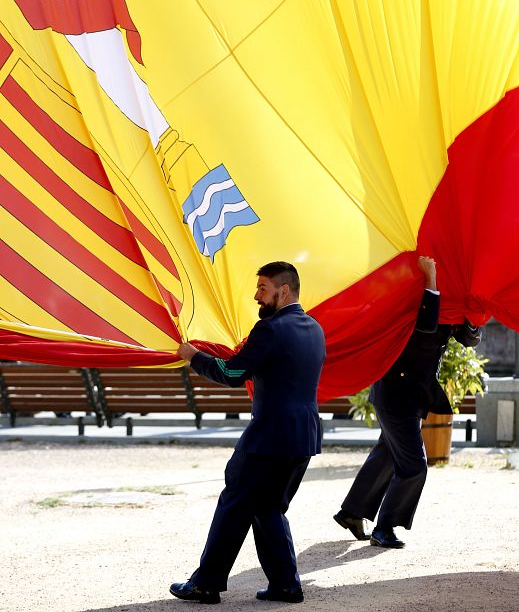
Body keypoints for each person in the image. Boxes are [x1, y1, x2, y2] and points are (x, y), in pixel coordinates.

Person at [170, 261, 326, 604]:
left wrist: (193, 356)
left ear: (283, 291)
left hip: (270, 437)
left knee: (234, 502)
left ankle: (206, 584)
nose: (257, 296)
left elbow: (233, 373)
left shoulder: (270, 329)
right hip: (304, 436)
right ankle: (286, 585)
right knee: (270, 508)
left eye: (263, 289)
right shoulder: (314, 327)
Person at [334, 256, 480, 549]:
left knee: (388, 453)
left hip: (411, 394)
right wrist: (431, 281)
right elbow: (425, 328)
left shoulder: (446, 303)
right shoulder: (416, 297)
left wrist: (475, 316)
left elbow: (468, 338)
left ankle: (352, 512)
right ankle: (384, 527)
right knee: (414, 465)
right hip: (395, 393)